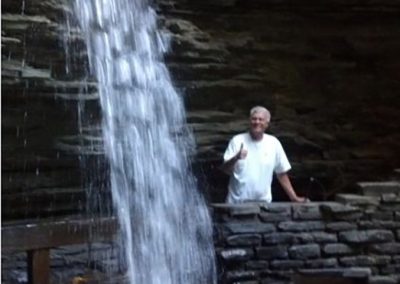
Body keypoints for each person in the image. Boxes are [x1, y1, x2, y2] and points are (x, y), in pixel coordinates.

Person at [221, 106, 305, 204]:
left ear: (267, 124)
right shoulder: (237, 141)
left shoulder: (273, 143)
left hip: (263, 205)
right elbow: (225, 169)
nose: (257, 122)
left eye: (261, 119)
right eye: (254, 119)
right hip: (236, 204)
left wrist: (294, 198)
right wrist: (236, 158)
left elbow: (281, 173)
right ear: (249, 121)